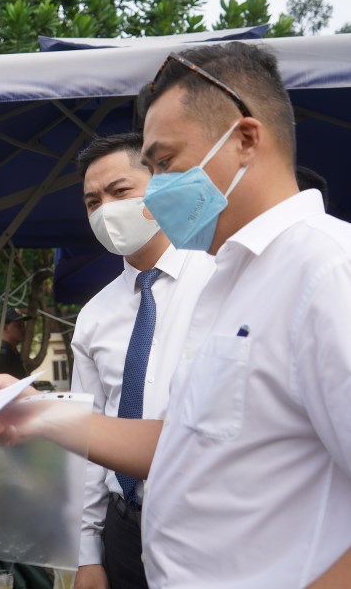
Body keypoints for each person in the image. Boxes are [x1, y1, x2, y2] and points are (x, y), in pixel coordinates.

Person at [0, 41, 351, 589]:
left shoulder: (339, 271)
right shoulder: (233, 279)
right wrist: (38, 413)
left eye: (165, 163)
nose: (160, 188)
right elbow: (183, 441)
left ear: (245, 139)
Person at [70, 133, 214, 589]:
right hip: (123, 529)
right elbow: (88, 437)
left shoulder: (219, 280)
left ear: (160, 186)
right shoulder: (94, 316)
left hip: (206, 523)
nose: (105, 210)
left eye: (119, 191)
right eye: (92, 201)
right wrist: (87, 554)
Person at [0, 307, 32, 379]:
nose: (24, 330)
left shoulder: (12, 353)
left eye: (23, 326)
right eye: (19, 326)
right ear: (5, 327)